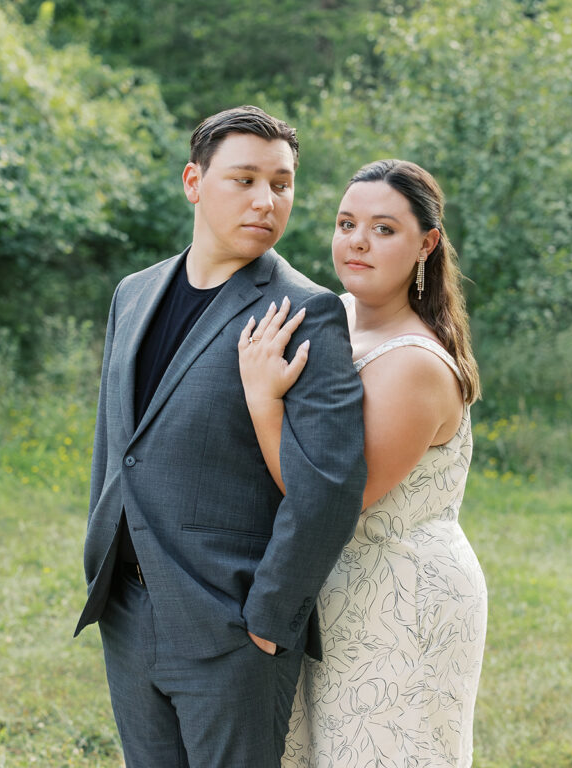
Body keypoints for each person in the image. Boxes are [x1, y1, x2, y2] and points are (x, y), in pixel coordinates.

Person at [72, 106, 367, 768]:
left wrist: (268, 622)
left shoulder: (305, 312)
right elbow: (116, 446)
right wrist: (101, 566)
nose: (267, 200)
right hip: (127, 612)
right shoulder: (133, 293)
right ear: (194, 182)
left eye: (282, 184)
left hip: (232, 630)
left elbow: (329, 489)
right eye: (245, 179)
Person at [238, 159, 487, 767]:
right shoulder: (332, 317)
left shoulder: (415, 364)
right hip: (326, 587)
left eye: (384, 229)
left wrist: (263, 399)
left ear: (426, 244)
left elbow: (327, 497)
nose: (357, 241)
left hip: (402, 598)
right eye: (347, 223)